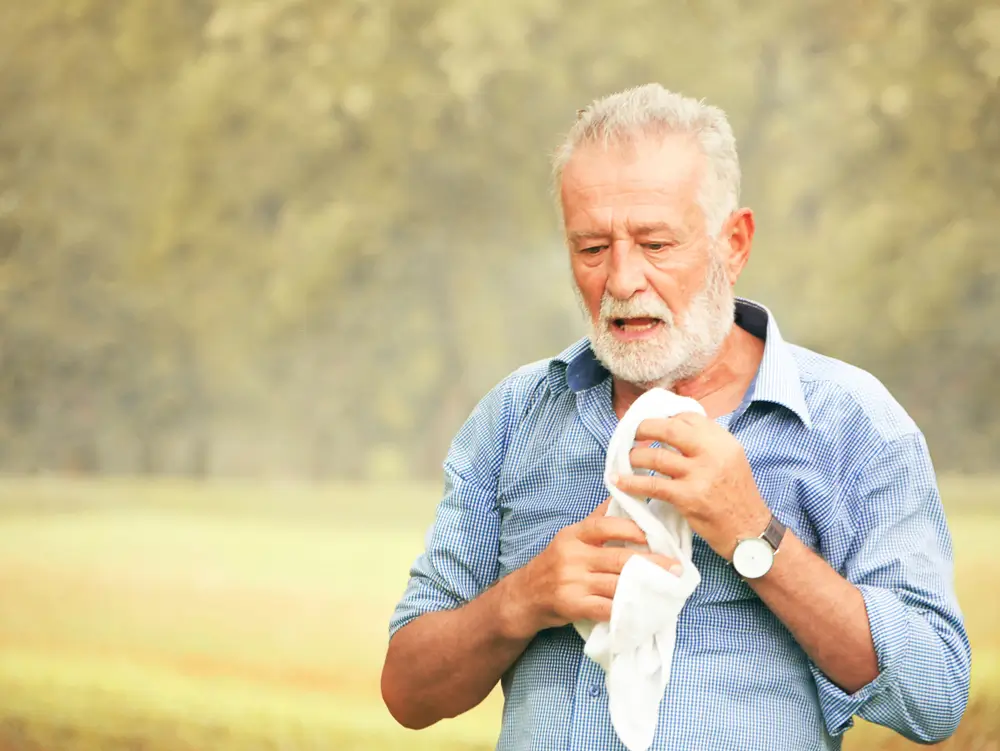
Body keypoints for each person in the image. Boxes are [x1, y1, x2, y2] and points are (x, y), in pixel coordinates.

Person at [380, 83, 971, 751]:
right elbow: (408, 690)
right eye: (592, 248)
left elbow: (934, 695)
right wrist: (518, 602)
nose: (623, 279)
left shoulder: (853, 423)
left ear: (734, 243)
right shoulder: (515, 418)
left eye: (656, 243)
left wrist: (757, 534)